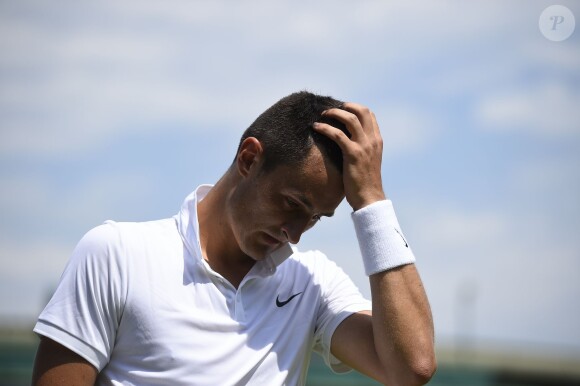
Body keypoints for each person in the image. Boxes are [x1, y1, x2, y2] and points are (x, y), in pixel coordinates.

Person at [32, 91, 436, 385]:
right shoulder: (115, 253)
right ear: (248, 159)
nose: (294, 232)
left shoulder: (312, 283)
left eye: (315, 217)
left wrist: (372, 201)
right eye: (293, 203)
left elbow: (412, 366)